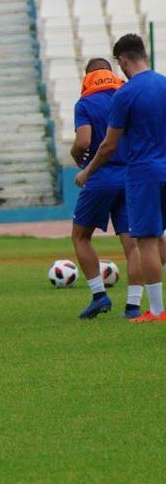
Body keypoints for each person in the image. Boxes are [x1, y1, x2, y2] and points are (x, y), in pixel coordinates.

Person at [76, 34, 166, 323]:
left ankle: (155, 310)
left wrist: (88, 170)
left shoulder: (125, 94)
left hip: (142, 174)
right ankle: (137, 304)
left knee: (147, 241)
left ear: (123, 61)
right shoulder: (164, 83)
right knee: (149, 240)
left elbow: (107, 145)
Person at [70, 59, 141, 319]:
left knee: (80, 236)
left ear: (88, 76)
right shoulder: (127, 95)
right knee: (132, 244)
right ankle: (133, 306)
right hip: (131, 176)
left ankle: (99, 296)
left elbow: (84, 141)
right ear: (111, 73)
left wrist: (76, 155)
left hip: (99, 177)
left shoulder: (86, 103)